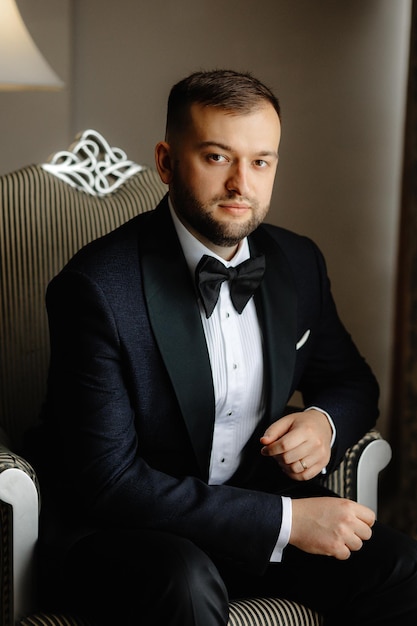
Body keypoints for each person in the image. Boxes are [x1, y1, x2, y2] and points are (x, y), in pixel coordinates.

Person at [33, 69, 417, 625]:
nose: (242, 182)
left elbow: (352, 381)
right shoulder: (95, 288)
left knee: (400, 565)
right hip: (129, 535)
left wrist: (321, 423)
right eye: (217, 157)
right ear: (166, 162)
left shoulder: (298, 262)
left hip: (251, 523)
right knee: (185, 582)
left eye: (261, 161)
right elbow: (109, 482)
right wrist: (285, 522)